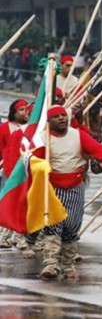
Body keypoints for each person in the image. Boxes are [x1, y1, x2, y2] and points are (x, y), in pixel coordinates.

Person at [33, 106, 102, 279]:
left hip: (75, 186)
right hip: (52, 187)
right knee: (52, 225)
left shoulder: (78, 135)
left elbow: (98, 149)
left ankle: (68, 264)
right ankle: (51, 263)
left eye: (64, 115)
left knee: (72, 226)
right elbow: (33, 163)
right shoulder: (42, 139)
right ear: (49, 121)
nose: (62, 119)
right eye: (56, 117)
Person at [0, 99, 30, 249]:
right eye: (21, 109)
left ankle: (18, 236)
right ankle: (3, 236)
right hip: (9, 169)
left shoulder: (30, 129)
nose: (25, 112)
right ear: (14, 112)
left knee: (23, 204)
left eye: (27, 109)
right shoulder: (5, 128)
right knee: (8, 202)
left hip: (25, 169)